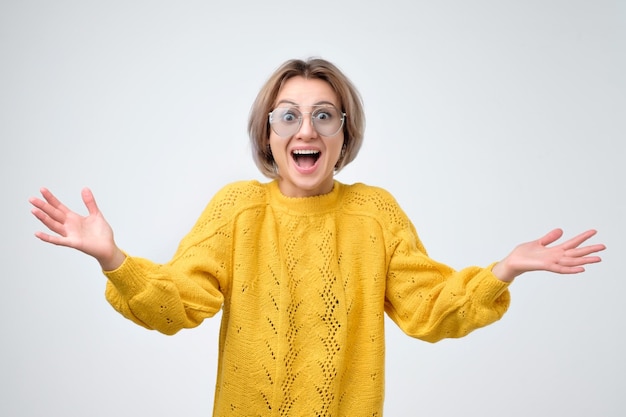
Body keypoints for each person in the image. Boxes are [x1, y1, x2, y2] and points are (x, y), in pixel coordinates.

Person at [29, 58, 605, 416]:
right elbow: (179, 302)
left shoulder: (374, 213)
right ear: (269, 133)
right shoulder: (237, 208)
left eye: (325, 115)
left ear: (343, 132)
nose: (307, 129)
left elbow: (429, 310)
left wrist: (503, 269)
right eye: (289, 115)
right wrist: (112, 258)